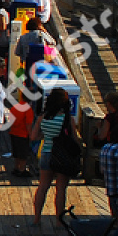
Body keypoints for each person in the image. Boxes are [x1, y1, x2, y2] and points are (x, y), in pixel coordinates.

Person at [31, 87, 78, 221]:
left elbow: (34, 137)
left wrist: (45, 135)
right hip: (63, 155)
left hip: (46, 152)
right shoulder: (68, 118)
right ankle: (59, 220)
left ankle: (37, 218)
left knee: (43, 187)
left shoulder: (43, 117)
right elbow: (74, 139)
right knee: (61, 189)